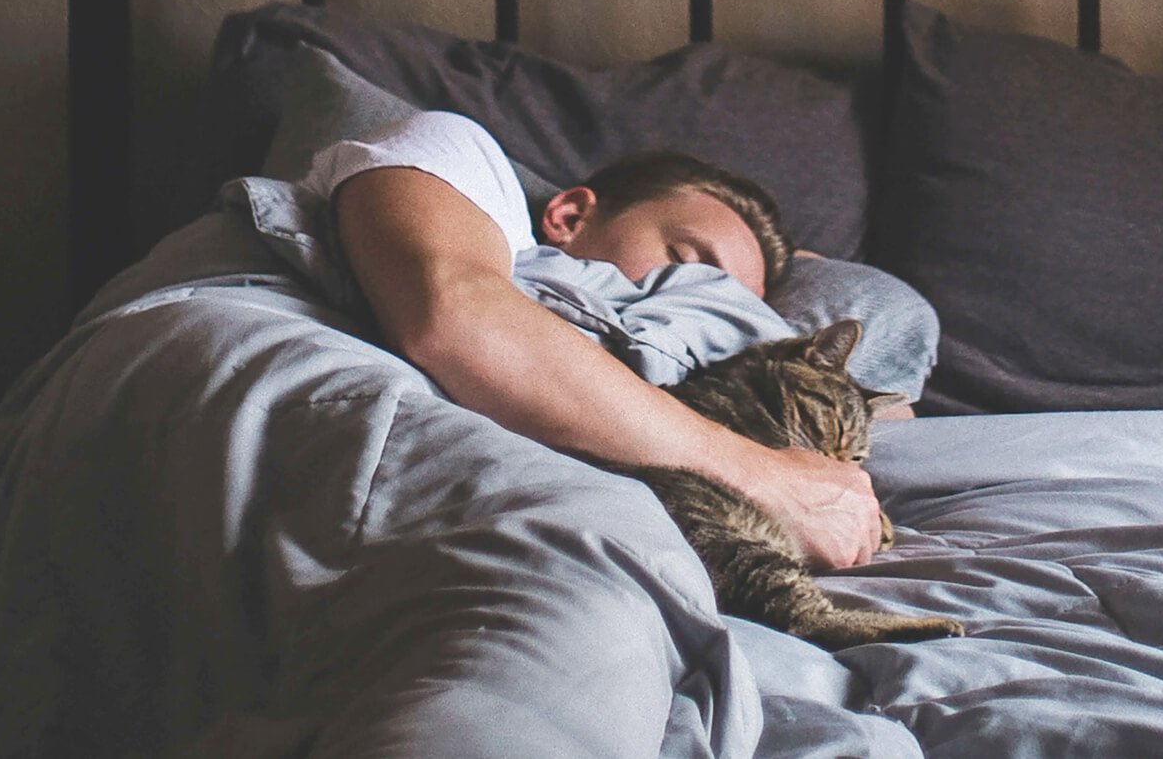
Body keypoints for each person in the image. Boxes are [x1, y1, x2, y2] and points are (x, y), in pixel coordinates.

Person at [305, 110, 885, 569]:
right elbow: (455, 314)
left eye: (727, 302)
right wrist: (762, 476)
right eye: (684, 262)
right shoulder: (459, 156)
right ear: (570, 214)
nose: (696, 302)